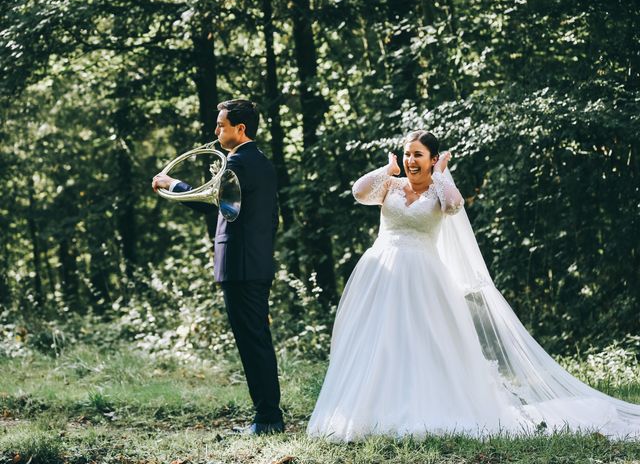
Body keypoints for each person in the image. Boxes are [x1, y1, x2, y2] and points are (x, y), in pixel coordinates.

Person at [307, 130, 640, 441]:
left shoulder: (438, 188)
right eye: (408, 154)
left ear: (432, 158)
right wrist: (387, 167)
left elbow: (454, 205)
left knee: (424, 342)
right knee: (378, 341)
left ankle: (421, 406)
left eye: (419, 155)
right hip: (382, 273)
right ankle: (368, 410)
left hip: (423, 276)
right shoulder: (390, 187)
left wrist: (440, 174)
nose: (411, 161)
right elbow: (358, 191)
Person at [152, 99, 284, 435]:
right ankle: (267, 416)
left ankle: (268, 419)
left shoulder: (238, 162)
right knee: (257, 340)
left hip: (240, 266)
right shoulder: (263, 163)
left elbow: (211, 201)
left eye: (221, 125)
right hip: (255, 263)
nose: (216, 131)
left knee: (252, 342)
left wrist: (171, 185)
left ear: (240, 129)